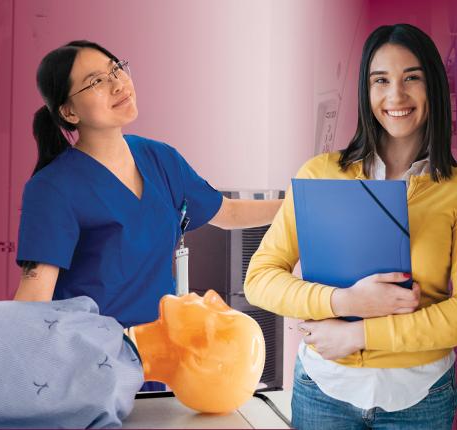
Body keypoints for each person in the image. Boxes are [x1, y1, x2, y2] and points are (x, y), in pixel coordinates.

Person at [244, 24, 457, 430]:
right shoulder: (320, 173)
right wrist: (344, 303)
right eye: (381, 81)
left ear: (432, 85)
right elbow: (259, 279)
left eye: (411, 78)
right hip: (324, 392)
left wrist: (360, 335)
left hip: (420, 400)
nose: (395, 96)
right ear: (366, 90)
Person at [14, 40, 282, 328]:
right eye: (96, 82)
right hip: (94, 359)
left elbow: (226, 212)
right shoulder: (52, 189)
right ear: (69, 112)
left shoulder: (159, 158)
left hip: (162, 351)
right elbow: (34, 299)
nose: (117, 84)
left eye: (116, 69)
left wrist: (302, 205)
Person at [0, 290, 265, 428]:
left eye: (219, 310)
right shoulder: (98, 322)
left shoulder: (104, 391)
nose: (212, 295)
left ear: (199, 357)